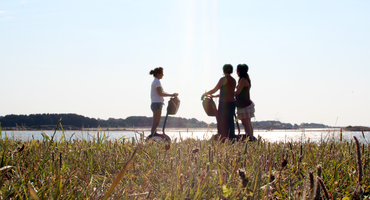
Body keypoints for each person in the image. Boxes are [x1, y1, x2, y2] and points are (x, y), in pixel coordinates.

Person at [203, 64, 236, 142]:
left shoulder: (223, 79)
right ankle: (231, 138)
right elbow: (229, 92)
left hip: (224, 103)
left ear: (223, 70)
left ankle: (222, 138)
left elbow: (215, 89)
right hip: (232, 103)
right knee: (230, 121)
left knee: (222, 121)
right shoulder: (233, 80)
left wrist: (205, 94)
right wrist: (215, 96)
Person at [149, 67, 178, 137]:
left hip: (156, 103)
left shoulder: (156, 81)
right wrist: (171, 95)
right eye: (162, 73)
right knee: (156, 120)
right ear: (158, 74)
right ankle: (153, 134)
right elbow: (161, 93)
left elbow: (162, 92)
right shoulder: (157, 81)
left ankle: (154, 133)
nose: (163, 75)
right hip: (157, 103)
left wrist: (171, 94)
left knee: (156, 120)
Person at [235, 63, 256, 141]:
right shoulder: (245, 79)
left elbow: (237, 92)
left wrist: (226, 94)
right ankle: (251, 138)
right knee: (247, 123)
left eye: (237, 70)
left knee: (246, 123)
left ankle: (250, 138)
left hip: (244, 104)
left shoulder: (243, 79)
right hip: (245, 103)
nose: (236, 72)